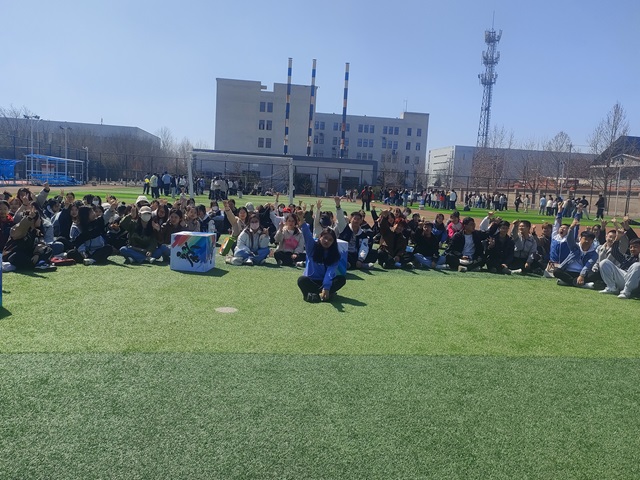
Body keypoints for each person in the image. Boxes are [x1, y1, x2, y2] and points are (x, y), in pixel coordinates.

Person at [297, 219, 346, 303]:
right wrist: (302, 221)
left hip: (324, 281)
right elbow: (307, 236)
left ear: (333, 242)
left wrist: (326, 287)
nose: (327, 241)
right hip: (311, 280)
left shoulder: (335, 255)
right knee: (301, 280)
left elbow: (330, 272)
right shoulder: (312, 248)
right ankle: (325, 295)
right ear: (320, 237)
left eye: (330, 240)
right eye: (325, 238)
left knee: (341, 279)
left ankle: (316, 295)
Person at [598, 219, 640, 298]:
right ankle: (612, 288)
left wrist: (627, 228)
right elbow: (615, 253)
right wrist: (617, 239)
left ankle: (626, 292)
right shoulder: (628, 258)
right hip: (623, 279)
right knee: (604, 262)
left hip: (635, 284)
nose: (632, 249)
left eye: (636, 247)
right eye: (631, 247)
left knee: (637, 265)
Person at [553, 218, 597, 288]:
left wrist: (581, 275)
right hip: (568, 271)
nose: (587, 241)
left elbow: (588, 266)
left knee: (595, 275)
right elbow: (569, 239)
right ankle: (581, 284)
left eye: (590, 240)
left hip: (582, 273)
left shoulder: (594, 254)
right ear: (580, 238)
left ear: (592, 241)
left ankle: (567, 282)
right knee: (556, 271)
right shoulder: (575, 247)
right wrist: (571, 228)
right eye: (585, 239)